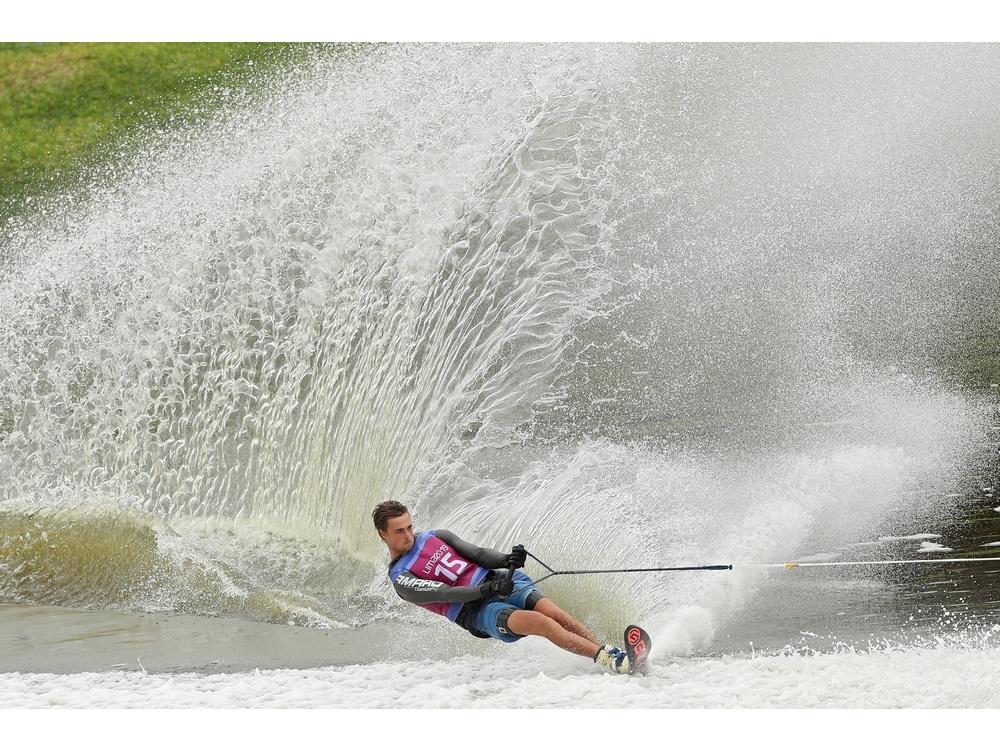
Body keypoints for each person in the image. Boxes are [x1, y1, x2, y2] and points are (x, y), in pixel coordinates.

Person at [372, 500, 630, 673]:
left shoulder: (435, 536)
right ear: (384, 534)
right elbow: (445, 593)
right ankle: (613, 661)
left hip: (499, 582)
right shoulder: (401, 577)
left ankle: (607, 656)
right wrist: (487, 591)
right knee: (543, 624)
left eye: (409, 527)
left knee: (556, 615)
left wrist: (506, 560)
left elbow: (478, 553)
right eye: (398, 532)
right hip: (477, 613)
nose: (408, 535)